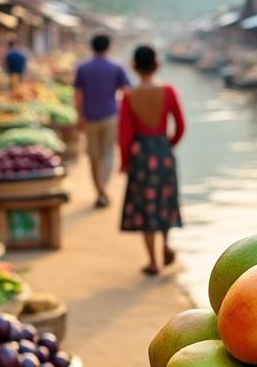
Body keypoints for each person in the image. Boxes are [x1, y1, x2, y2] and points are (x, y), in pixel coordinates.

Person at [119, 45, 184, 276]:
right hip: (162, 152)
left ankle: (153, 261)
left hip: (141, 156)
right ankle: (166, 243)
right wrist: (168, 145)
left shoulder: (128, 96)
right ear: (157, 64)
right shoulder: (168, 91)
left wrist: (125, 162)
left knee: (146, 207)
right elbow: (180, 125)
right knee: (164, 202)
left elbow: (125, 135)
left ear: (134, 66)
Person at [73, 34, 131, 207]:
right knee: (107, 155)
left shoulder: (83, 68)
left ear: (92, 47)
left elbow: (78, 95)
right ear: (109, 47)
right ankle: (102, 190)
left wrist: (79, 116)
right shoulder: (116, 67)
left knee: (93, 156)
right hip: (110, 116)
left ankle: (100, 192)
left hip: (90, 117)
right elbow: (126, 92)